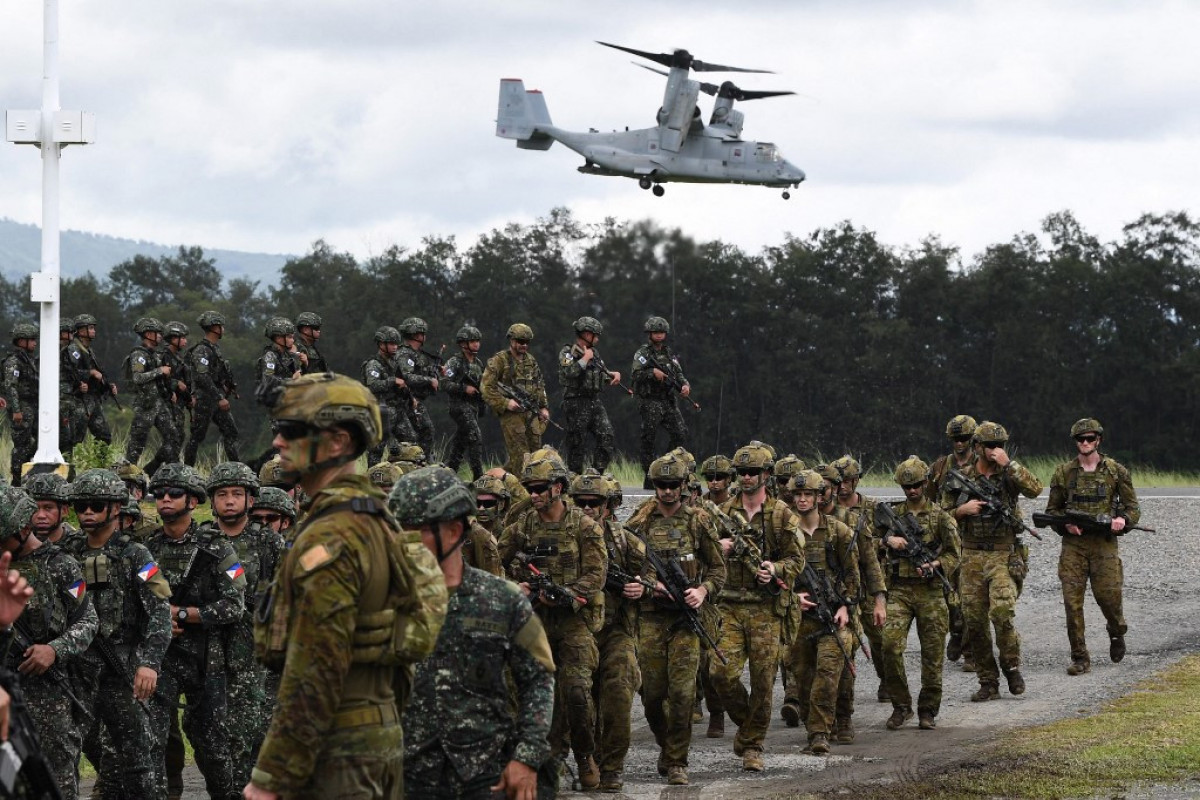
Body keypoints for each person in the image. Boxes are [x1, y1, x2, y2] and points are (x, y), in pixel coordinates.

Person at [246, 372, 448, 800]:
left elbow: (317, 668)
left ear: (337, 442)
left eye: (292, 431)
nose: (279, 443)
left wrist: (272, 777)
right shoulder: (372, 518)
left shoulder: (332, 536)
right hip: (371, 738)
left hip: (338, 751)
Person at [394, 465, 555, 800]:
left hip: (483, 772)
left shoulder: (503, 600)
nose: (403, 542)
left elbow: (538, 680)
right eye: (397, 530)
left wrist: (527, 756)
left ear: (453, 531)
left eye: (417, 530)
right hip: (405, 772)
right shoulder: (380, 600)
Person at [496, 451, 606, 790]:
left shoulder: (584, 527)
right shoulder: (523, 525)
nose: (534, 494)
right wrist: (517, 586)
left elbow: (597, 574)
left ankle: (585, 754)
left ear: (558, 487)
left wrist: (569, 594)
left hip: (573, 621)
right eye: (530, 487)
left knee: (575, 692)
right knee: (530, 693)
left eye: (540, 487)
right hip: (535, 620)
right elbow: (494, 559)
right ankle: (546, 760)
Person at [63, 469, 171, 800]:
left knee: (137, 762)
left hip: (122, 670)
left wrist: (149, 663)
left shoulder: (136, 555)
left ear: (115, 509)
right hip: (76, 671)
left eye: (96, 505)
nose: (87, 513)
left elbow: (160, 610)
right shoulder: (66, 554)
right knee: (74, 754)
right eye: (81, 507)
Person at [144, 463, 245, 800]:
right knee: (153, 744)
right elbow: (136, 599)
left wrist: (184, 614)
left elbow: (234, 604)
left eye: (175, 494)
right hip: (161, 659)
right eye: (160, 495)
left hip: (207, 661)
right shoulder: (146, 550)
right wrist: (159, 622)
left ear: (192, 501)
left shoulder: (217, 547)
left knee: (212, 748)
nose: (166, 500)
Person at [624, 453, 725, 786]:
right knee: (652, 695)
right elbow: (625, 567)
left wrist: (703, 590)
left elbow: (717, 569)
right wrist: (637, 587)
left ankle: (677, 760)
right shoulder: (639, 523)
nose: (667, 492)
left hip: (685, 620)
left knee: (682, 694)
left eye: (672, 485)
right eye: (660, 485)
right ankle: (666, 745)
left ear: (684, 486)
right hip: (651, 619)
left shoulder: (698, 521)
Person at [2, 482, 100, 800]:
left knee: (55, 780)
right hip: (4, 688)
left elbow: (88, 620)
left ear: (20, 529)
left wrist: (54, 649)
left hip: (47, 693)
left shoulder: (61, 567)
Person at [712, 443, 804, 771]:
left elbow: (796, 560)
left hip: (766, 607)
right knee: (720, 673)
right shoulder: (720, 512)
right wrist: (717, 548)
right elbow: (701, 555)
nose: (747, 477)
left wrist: (775, 569)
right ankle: (748, 726)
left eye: (753, 472)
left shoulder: (782, 514)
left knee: (764, 681)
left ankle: (752, 745)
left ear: (766, 475)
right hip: (729, 605)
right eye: (742, 472)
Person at [942, 420, 1042, 701]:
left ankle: (1011, 665)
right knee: (973, 621)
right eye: (989, 446)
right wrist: (961, 510)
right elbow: (938, 517)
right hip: (971, 554)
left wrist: (1009, 463)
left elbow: (1035, 489)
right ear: (977, 447)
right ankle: (988, 680)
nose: (994, 450)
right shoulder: (960, 476)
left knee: (1002, 613)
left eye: (999, 445)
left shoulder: (1008, 474)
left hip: (1003, 553)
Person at [204, 462, 285, 784]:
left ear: (251, 499)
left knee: (249, 732)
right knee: (210, 734)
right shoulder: (202, 540)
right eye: (222, 494)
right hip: (205, 647)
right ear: (212, 501)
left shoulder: (269, 543)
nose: (229, 501)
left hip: (253, 650)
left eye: (237, 494)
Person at [1046, 417, 1141, 676]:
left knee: (1110, 598)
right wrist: (1065, 526)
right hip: (1074, 546)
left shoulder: (1115, 471)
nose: (1085, 443)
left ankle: (1116, 631)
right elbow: (1052, 510)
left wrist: (1124, 520)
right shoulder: (1063, 473)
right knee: (1072, 602)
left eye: (1090, 438)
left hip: (1104, 545)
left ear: (1098, 440)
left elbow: (1133, 507)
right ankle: (1080, 657)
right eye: (1081, 439)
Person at [570, 471, 646, 792]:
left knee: (617, 692)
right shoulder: (564, 539)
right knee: (577, 701)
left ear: (606, 506)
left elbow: (650, 574)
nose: (587, 509)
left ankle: (612, 766)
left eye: (594, 503)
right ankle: (585, 757)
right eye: (580, 503)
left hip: (615, 630)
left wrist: (640, 587)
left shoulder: (624, 540)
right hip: (576, 630)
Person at [877, 456, 960, 731]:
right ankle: (901, 706)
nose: (911, 490)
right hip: (899, 589)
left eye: (915, 485)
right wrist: (889, 539)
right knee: (889, 645)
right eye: (906, 486)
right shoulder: (893, 514)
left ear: (925, 483)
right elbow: (868, 539)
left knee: (933, 653)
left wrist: (935, 564)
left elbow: (954, 554)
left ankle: (928, 709)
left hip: (931, 591)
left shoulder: (941, 517)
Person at [785, 470, 859, 755]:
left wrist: (845, 606)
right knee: (803, 678)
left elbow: (853, 574)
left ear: (819, 497)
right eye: (798, 495)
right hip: (799, 618)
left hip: (833, 616)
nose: (803, 500)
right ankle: (812, 724)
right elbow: (771, 573)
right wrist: (792, 598)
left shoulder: (838, 531)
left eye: (808, 495)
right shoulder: (784, 532)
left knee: (828, 675)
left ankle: (820, 733)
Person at [819, 462, 887, 745]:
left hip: (848, 602)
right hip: (809, 604)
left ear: (834, 489)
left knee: (845, 664)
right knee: (810, 669)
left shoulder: (853, 522)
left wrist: (880, 600)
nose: (815, 496)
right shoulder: (795, 521)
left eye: (822, 489)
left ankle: (843, 717)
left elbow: (870, 564)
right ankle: (821, 724)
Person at [927, 414, 978, 667]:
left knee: (970, 598)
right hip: (948, 541)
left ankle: (970, 652)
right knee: (949, 597)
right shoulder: (940, 467)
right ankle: (956, 632)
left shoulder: (983, 465)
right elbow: (929, 504)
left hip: (975, 541)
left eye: (964, 439)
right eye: (955, 439)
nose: (959, 444)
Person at [630, 316, 691, 487]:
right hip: (650, 401)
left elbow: (678, 373)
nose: (659, 335)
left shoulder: (668, 353)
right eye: (656, 332)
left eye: (661, 332)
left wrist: (685, 385)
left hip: (668, 400)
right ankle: (650, 474)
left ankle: (666, 467)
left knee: (680, 433)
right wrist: (652, 373)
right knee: (649, 438)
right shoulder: (643, 353)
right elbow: (635, 375)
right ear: (649, 333)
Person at [482, 323, 551, 475]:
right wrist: (506, 403)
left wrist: (543, 407)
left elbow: (539, 384)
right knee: (520, 456)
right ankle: (521, 493)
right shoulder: (500, 360)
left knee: (535, 455)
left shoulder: (531, 361)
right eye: (520, 341)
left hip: (531, 413)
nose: (524, 345)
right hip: (511, 416)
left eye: (527, 342)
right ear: (511, 341)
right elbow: (486, 388)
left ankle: (498, 479)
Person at [558, 316, 621, 474]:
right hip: (575, 402)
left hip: (594, 401)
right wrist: (585, 359)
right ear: (586, 334)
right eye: (595, 335)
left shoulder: (595, 353)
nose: (597, 339)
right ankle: (575, 477)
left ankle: (597, 473)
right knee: (577, 442)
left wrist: (612, 375)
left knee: (606, 435)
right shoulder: (568, 352)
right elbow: (568, 372)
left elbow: (600, 374)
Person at [124, 317, 181, 472]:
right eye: (157, 333)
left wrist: (169, 391)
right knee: (136, 445)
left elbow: (158, 381)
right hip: (145, 406)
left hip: (158, 403)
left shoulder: (154, 355)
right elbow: (138, 378)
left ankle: (171, 473)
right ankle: (128, 479)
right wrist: (159, 371)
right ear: (148, 334)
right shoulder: (139, 355)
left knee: (173, 437)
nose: (161, 337)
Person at [184, 310, 241, 465]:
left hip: (215, 398)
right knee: (197, 436)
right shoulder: (202, 350)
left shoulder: (214, 349)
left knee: (231, 432)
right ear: (213, 327)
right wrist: (220, 397)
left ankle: (238, 469)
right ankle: (186, 471)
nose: (223, 329)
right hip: (205, 399)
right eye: (220, 326)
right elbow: (202, 377)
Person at [362, 325, 417, 464]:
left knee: (410, 444)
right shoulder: (374, 364)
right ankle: (374, 479)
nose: (395, 347)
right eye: (391, 343)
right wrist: (393, 381)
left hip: (398, 410)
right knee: (377, 449)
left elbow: (403, 383)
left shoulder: (394, 363)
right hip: (381, 411)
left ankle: (396, 474)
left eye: (396, 344)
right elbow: (372, 385)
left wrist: (410, 397)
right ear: (381, 344)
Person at [64, 313, 118, 449]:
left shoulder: (88, 351)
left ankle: (97, 466)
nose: (94, 331)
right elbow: (69, 372)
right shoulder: (73, 349)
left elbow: (98, 373)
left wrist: (108, 386)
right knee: (75, 439)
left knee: (104, 437)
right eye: (91, 328)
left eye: (94, 328)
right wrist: (91, 373)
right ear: (81, 331)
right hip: (79, 400)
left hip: (92, 399)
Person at [443, 325, 488, 479]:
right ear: (463, 344)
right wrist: (463, 388)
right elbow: (444, 383)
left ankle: (448, 475)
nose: (476, 344)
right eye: (472, 341)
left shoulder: (478, 363)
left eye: (477, 341)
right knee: (475, 436)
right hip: (459, 406)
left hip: (473, 407)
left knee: (460, 444)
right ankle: (479, 477)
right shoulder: (454, 362)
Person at [394, 317, 440, 455]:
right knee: (414, 436)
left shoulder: (418, 355)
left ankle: (421, 463)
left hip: (414, 401)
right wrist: (429, 380)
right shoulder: (404, 354)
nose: (424, 336)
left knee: (426, 431)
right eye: (422, 333)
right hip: (403, 401)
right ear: (415, 334)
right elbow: (408, 377)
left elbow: (422, 371)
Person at [2, 322, 39, 484]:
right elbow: (11, 386)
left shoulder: (28, 360)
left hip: (32, 406)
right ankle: (16, 481)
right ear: (21, 341)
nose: (35, 342)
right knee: (21, 444)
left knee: (35, 443)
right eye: (31, 339)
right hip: (22, 406)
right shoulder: (14, 361)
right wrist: (17, 410)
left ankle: (26, 475)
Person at [158, 321, 195, 475]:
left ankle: (157, 468)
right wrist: (175, 384)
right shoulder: (164, 356)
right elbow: (159, 378)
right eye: (182, 338)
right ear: (174, 339)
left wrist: (189, 398)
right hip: (169, 403)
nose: (185, 341)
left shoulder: (178, 357)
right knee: (173, 437)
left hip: (180, 404)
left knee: (179, 436)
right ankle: (171, 469)